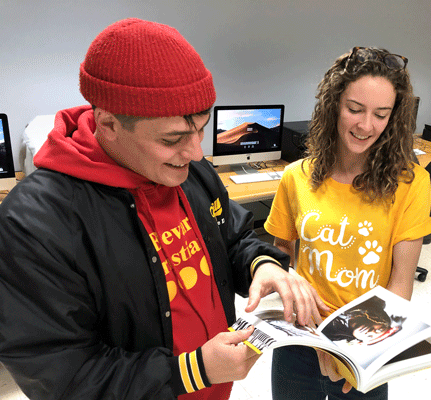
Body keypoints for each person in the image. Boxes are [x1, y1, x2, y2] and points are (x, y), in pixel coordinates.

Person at [0, 18, 327, 400]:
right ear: (108, 124)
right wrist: (192, 371)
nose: (194, 152)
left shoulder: (188, 171)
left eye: (201, 129)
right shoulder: (35, 222)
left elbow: (233, 236)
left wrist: (263, 264)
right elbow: (60, 374)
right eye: (172, 138)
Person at [264, 47, 431, 399]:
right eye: (354, 109)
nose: (365, 125)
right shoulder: (296, 176)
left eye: (381, 114)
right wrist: (293, 289)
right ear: (333, 107)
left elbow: (401, 284)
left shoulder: (411, 183)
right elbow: (281, 258)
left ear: (394, 118)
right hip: (301, 337)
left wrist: (352, 350)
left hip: (367, 343)